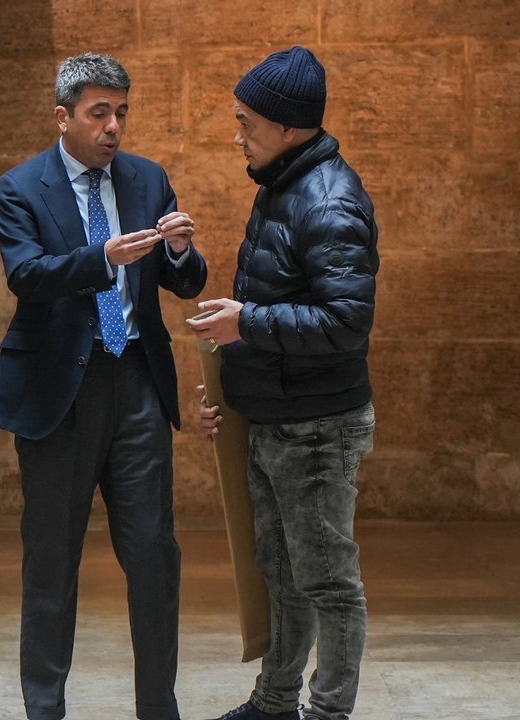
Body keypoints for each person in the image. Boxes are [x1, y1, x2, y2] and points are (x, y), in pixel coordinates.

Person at [0, 52, 207, 720]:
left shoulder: (146, 179)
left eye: (122, 113)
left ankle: (158, 709)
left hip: (135, 378)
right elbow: (27, 275)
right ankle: (46, 709)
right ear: (63, 116)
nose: (113, 128)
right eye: (99, 113)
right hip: (58, 392)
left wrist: (180, 252)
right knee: (51, 561)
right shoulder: (21, 187)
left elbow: (183, 283)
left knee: (154, 557)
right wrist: (99, 259)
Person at [187, 46, 379, 720]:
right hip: (277, 418)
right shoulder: (282, 183)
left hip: (317, 428)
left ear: (290, 128)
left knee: (327, 582)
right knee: (281, 574)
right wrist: (231, 387)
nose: (236, 133)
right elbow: (279, 310)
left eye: (247, 122)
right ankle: (273, 705)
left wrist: (248, 323)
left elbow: (347, 321)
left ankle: (327, 713)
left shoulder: (327, 202)